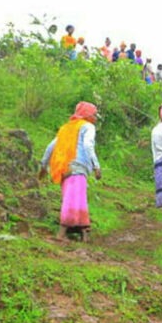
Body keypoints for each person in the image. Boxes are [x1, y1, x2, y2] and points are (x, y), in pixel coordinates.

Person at [38, 102, 102, 242]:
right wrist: (96, 166)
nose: (96, 118)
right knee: (75, 199)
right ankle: (62, 233)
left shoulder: (66, 128)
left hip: (64, 168)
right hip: (78, 166)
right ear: (87, 115)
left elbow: (50, 147)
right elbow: (87, 145)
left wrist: (43, 167)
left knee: (76, 198)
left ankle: (84, 232)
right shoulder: (88, 126)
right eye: (94, 115)